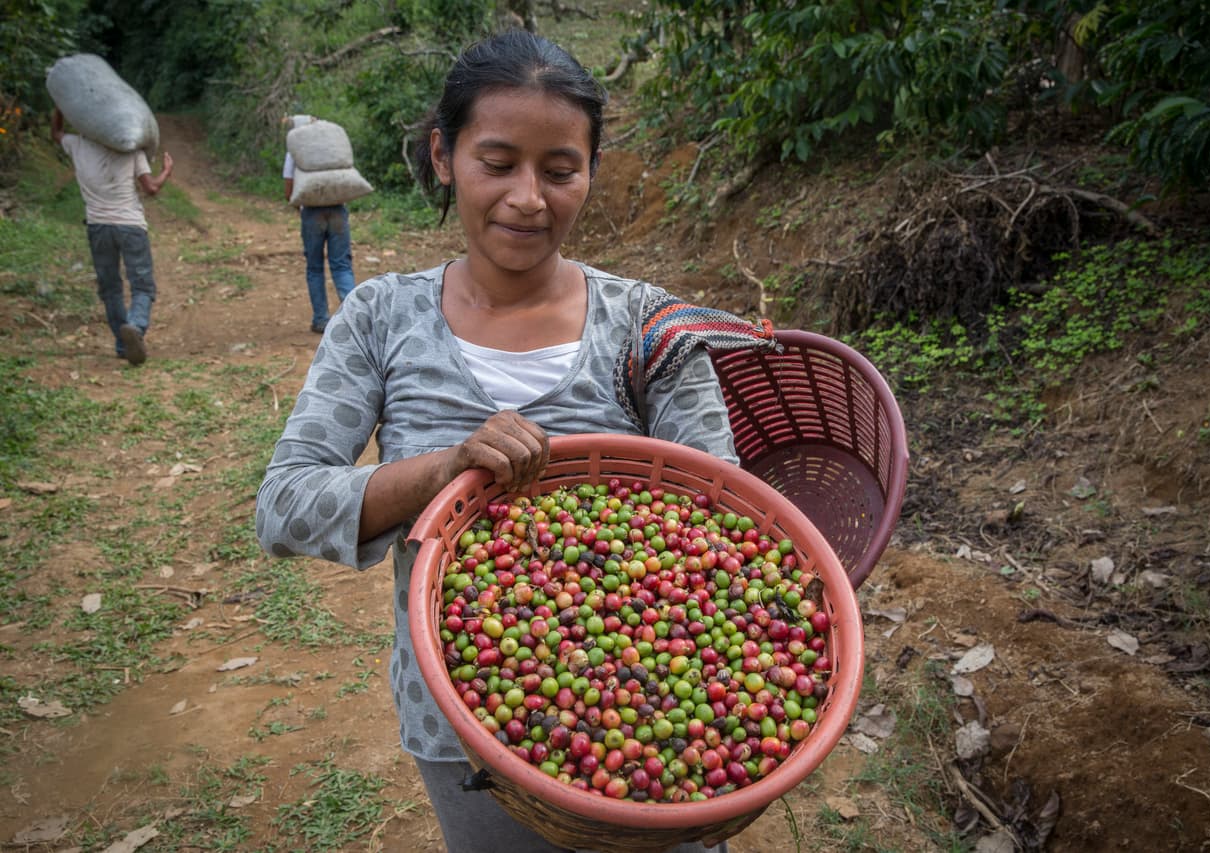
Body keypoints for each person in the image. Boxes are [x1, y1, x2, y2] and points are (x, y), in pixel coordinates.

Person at [257, 30, 773, 853]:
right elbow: (284, 506)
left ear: (591, 172)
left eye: (560, 170)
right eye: (497, 163)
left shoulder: (648, 325)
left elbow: (726, 515)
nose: (528, 197)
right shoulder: (380, 319)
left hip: (663, 733)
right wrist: (444, 468)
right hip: (465, 724)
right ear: (442, 156)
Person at [52, 108, 173, 366]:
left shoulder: (78, 145)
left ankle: (122, 344)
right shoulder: (131, 149)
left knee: (111, 289)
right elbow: (150, 188)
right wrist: (166, 171)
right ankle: (136, 328)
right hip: (130, 226)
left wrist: (62, 107)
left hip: (98, 227)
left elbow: (56, 133)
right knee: (142, 286)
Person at [282, 115, 356, 333]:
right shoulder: (331, 147)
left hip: (311, 214)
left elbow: (288, 188)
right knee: (341, 265)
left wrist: (300, 204)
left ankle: (321, 319)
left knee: (315, 267)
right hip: (338, 212)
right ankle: (355, 318)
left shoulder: (294, 151)